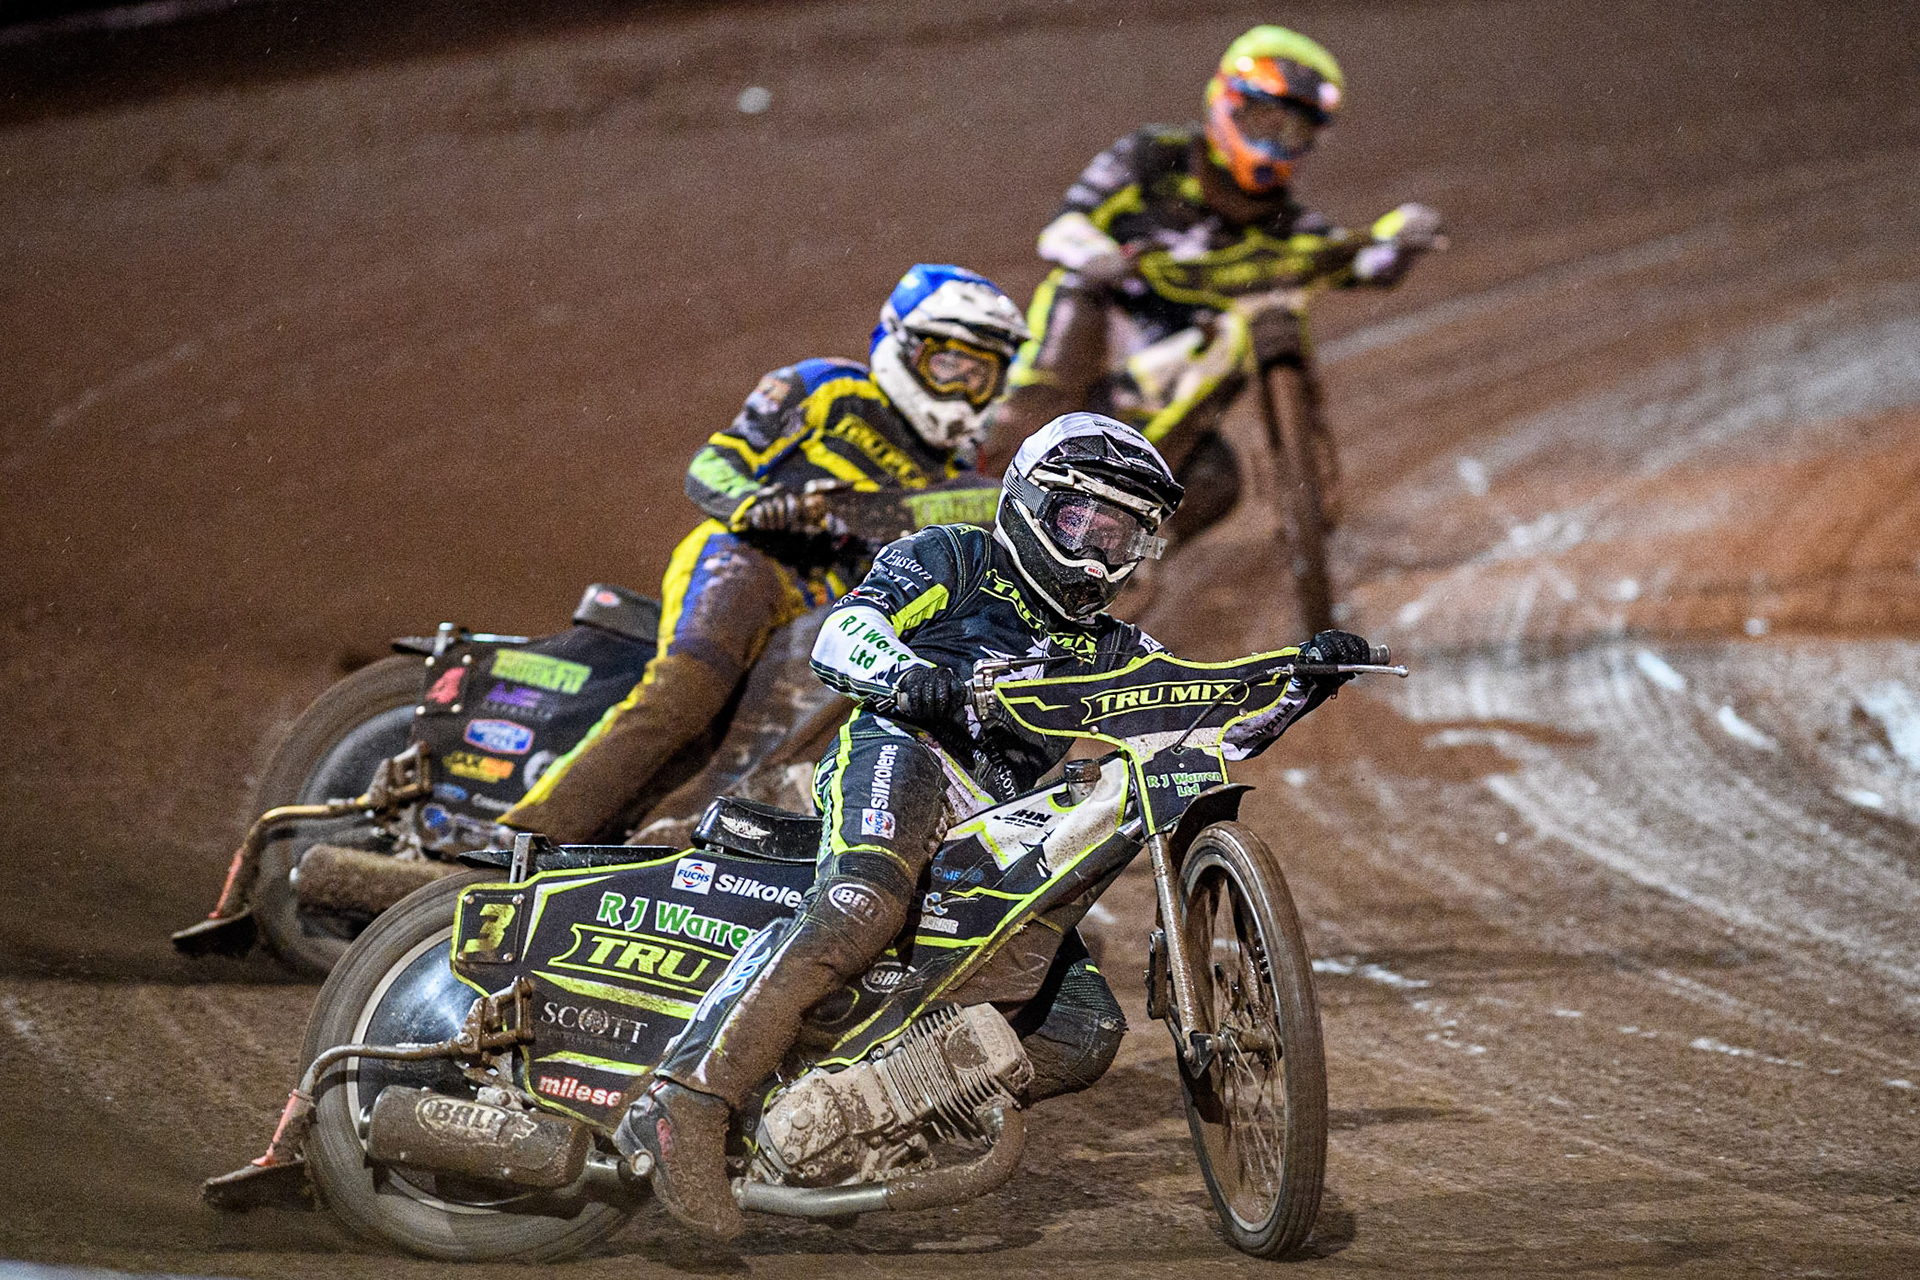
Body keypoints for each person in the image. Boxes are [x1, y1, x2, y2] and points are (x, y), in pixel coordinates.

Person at [616, 411, 1374, 1239]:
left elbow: (1200, 726)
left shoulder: (1113, 647)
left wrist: (1297, 689)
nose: (1098, 554)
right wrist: (905, 676)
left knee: (1081, 1031)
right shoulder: (956, 558)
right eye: (1083, 522)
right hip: (902, 751)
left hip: (999, 820)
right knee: (862, 903)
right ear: (1030, 503)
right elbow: (845, 632)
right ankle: (684, 1103)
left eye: (1122, 536)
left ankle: (852, 1118)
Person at [499, 265, 1030, 844]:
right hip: (749, 562)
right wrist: (754, 503)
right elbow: (712, 465)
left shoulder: (959, 479)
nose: (962, 389)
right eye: (949, 364)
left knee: (760, 750)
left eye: (980, 375)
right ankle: (520, 835)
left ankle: (650, 853)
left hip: (828, 611)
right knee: (684, 693)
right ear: (902, 344)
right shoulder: (827, 387)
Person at [981, 24, 1442, 550]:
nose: (1276, 142)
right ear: (1226, 104)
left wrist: (1401, 236)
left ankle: (1124, 559)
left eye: (1295, 132)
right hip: (1110, 328)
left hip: (1178, 370)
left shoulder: (1284, 223)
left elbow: (1357, 262)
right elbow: (1065, 223)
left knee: (1216, 482)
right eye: (1264, 120)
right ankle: (986, 499)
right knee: (1067, 319)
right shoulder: (1152, 158)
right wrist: (1100, 256)